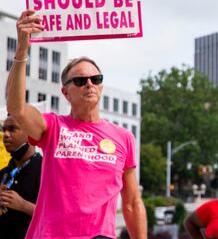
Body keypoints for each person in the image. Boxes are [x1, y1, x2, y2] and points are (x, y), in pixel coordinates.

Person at [5, 13, 147, 239]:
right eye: (80, 81)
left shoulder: (123, 137)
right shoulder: (53, 126)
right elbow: (16, 107)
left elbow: (131, 203)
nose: (89, 84)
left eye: (96, 79)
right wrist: (22, 48)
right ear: (65, 92)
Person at [0, 115, 42, 239]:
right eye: (4, 129)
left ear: (31, 134)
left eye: (12, 129)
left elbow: (59, 216)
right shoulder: (4, 173)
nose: (5, 135)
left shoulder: (48, 172)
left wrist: (23, 205)